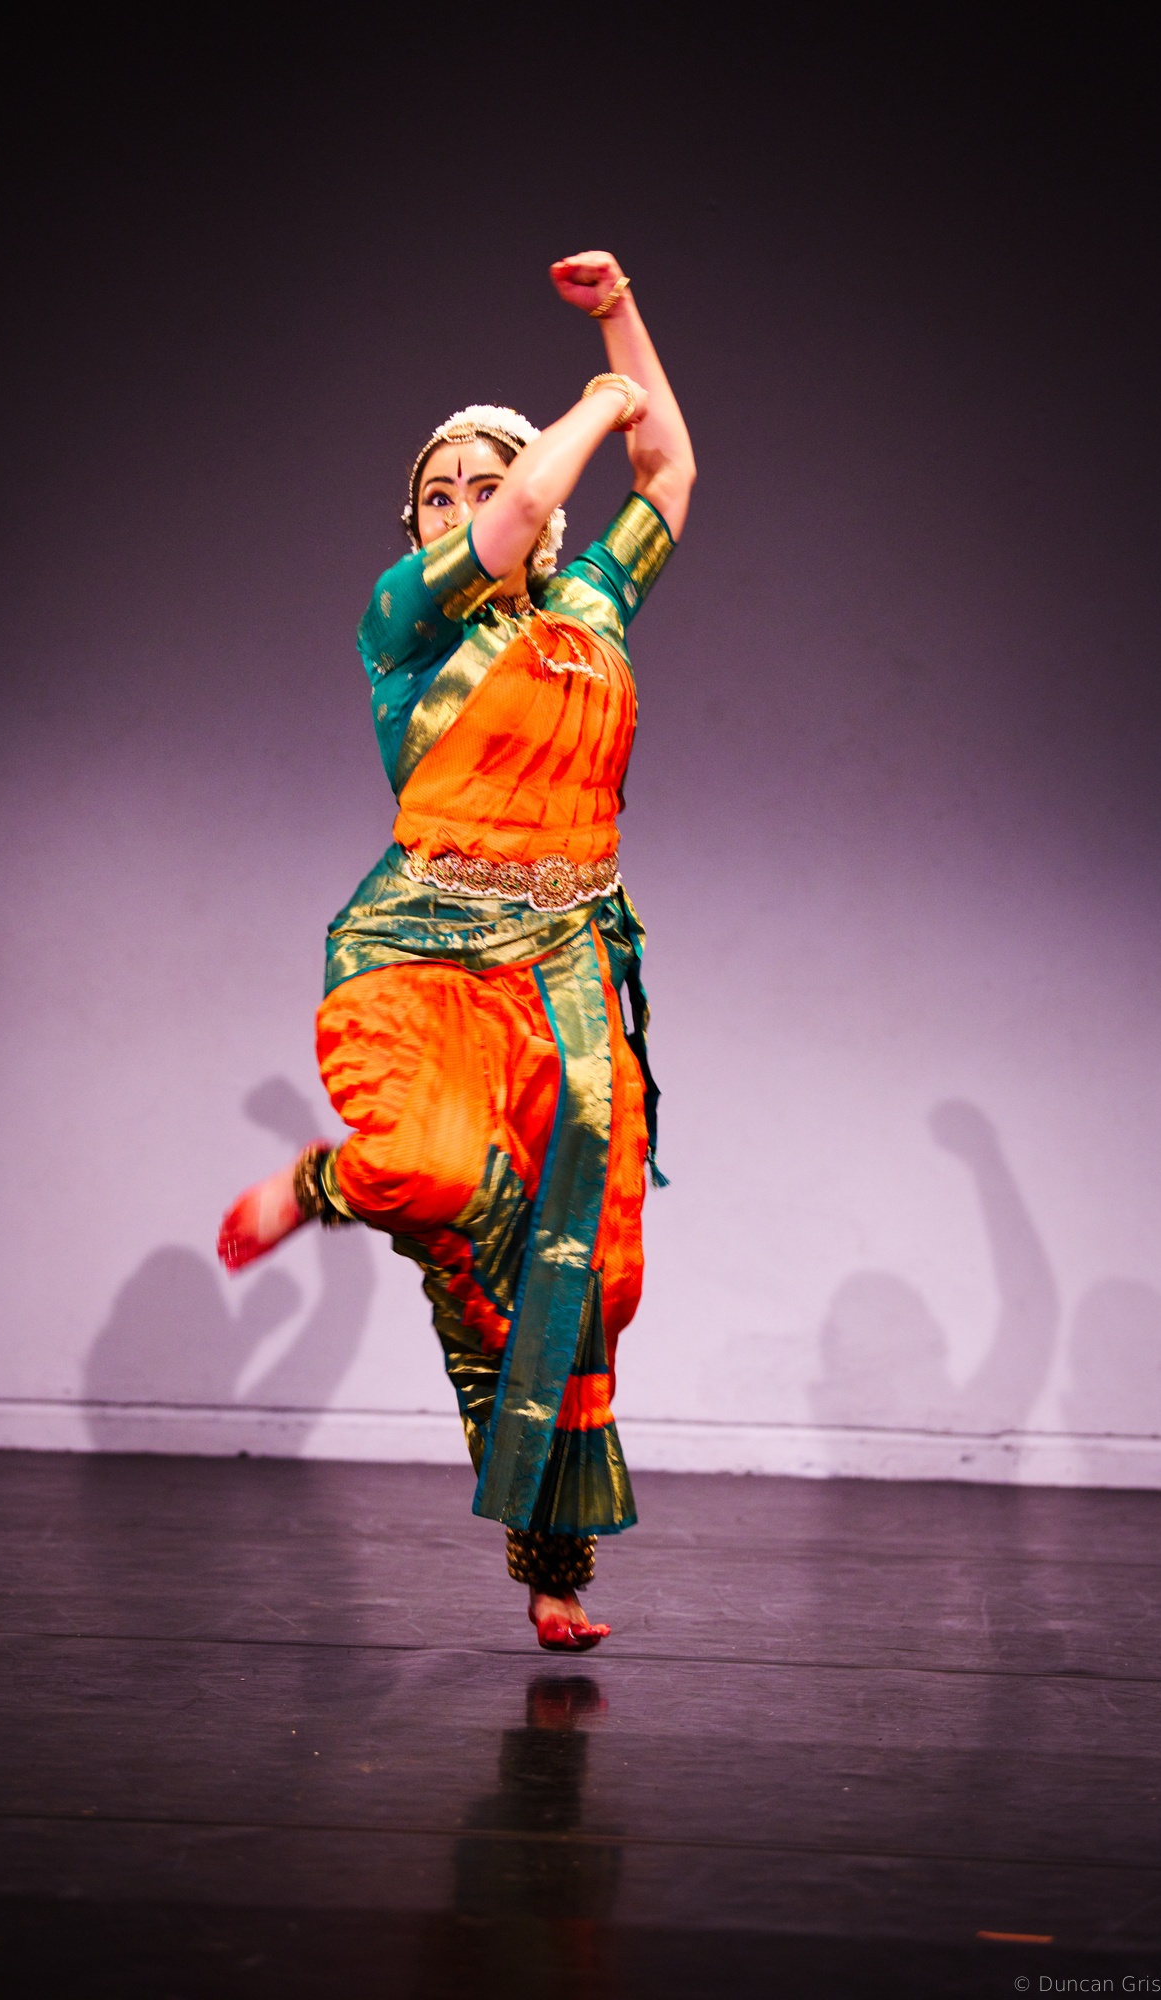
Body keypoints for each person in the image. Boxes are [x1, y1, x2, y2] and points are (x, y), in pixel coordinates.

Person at [218, 252, 695, 1650]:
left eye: (486, 482)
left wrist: (621, 326)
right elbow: (535, 505)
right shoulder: (405, 620)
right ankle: (318, 1182)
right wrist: (591, 405)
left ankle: (553, 1565)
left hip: (565, 971)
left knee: (582, 1274)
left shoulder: (591, 608)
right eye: (442, 492)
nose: (470, 503)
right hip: (422, 956)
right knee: (431, 1173)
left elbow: (669, 473)